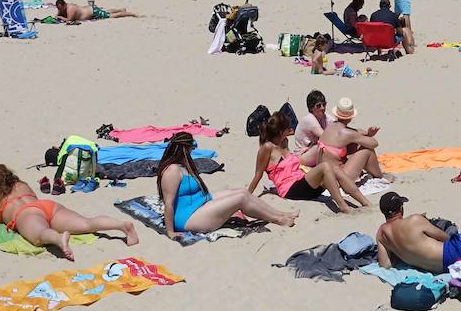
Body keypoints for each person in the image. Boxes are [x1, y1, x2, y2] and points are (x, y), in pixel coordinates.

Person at [0, 164, 137, 261]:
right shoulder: (21, 184)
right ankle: (121, 226)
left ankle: (59, 240)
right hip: (48, 206)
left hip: (25, 215)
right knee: (87, 223)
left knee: (40, 236)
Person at [158, 133, 297, 238]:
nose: (193, 151)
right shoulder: (172, 171)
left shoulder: (182, 165)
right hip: (187, 217)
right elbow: (168, 203)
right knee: (240, 199)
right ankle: (278, 219)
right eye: (191, 148)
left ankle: (280, 214)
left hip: (200, 203)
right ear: (184, 149)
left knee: (243, 192)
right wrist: (170, 232)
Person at [246, 114, 369, 213]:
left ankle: (365, 202)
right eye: (287, 128)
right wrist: (246, 196)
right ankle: (343, 206)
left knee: (335, 169)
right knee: (325, 167)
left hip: (304, 183)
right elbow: (258, 174)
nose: (290, 130)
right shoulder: (267, 148)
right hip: (290, 189)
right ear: (280, 131)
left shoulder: (285, 142)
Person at [307, 97, 391, 181]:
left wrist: (366, 133)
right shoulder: (347, 134)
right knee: (367, 151)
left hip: (324, 175)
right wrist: (367, 136)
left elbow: (354, 132)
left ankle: (374, 172)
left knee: (353, 144)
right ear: (351, 117)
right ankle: (380, 176)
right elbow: (374, 143)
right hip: (337, 177)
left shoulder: (331, 126)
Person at [54, 0, 138, 21]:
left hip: (93, 12)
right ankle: (121, 9)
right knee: (106, 12)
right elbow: (60, 13)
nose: (60, 10)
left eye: (61, 8)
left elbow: (69, 19)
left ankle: (130, 14)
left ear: (64, 4)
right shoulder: (64, 7)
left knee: (110, 16)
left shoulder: (70, 9)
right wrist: (59, 14)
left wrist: (60, 17)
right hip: (91, 9)